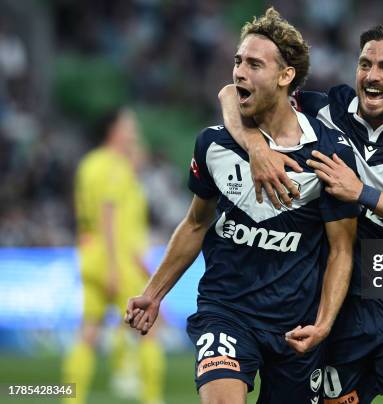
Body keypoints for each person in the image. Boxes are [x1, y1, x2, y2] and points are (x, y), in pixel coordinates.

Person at [125, 8, 360, 404]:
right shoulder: (214, 144)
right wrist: (154, 291)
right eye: (237, 61)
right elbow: (196, 223)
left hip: (294, 326)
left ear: (286, 76)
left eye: (254, 64)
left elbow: (341, 249)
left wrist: (322, 325)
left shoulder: (328, 156)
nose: (238, 73)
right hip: (226, 311)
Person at [219, 23, 383, 404]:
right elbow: (232, 93)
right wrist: (255, 148)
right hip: (339, 308)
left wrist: (362, 192)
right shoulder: (323, 108)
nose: (372, 76)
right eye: (365, 64)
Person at [65, 107, 165, 404]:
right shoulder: (115, 166)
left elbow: (86, 214)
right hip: (115, 259)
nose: (134, 130)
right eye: (129, 125)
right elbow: (109, 214)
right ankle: (151, 398)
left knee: (89, 331)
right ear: (114, 130)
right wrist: (116, 264)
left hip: (89, 254)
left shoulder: (89, 164)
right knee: (151, 324)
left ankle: (71, 398)